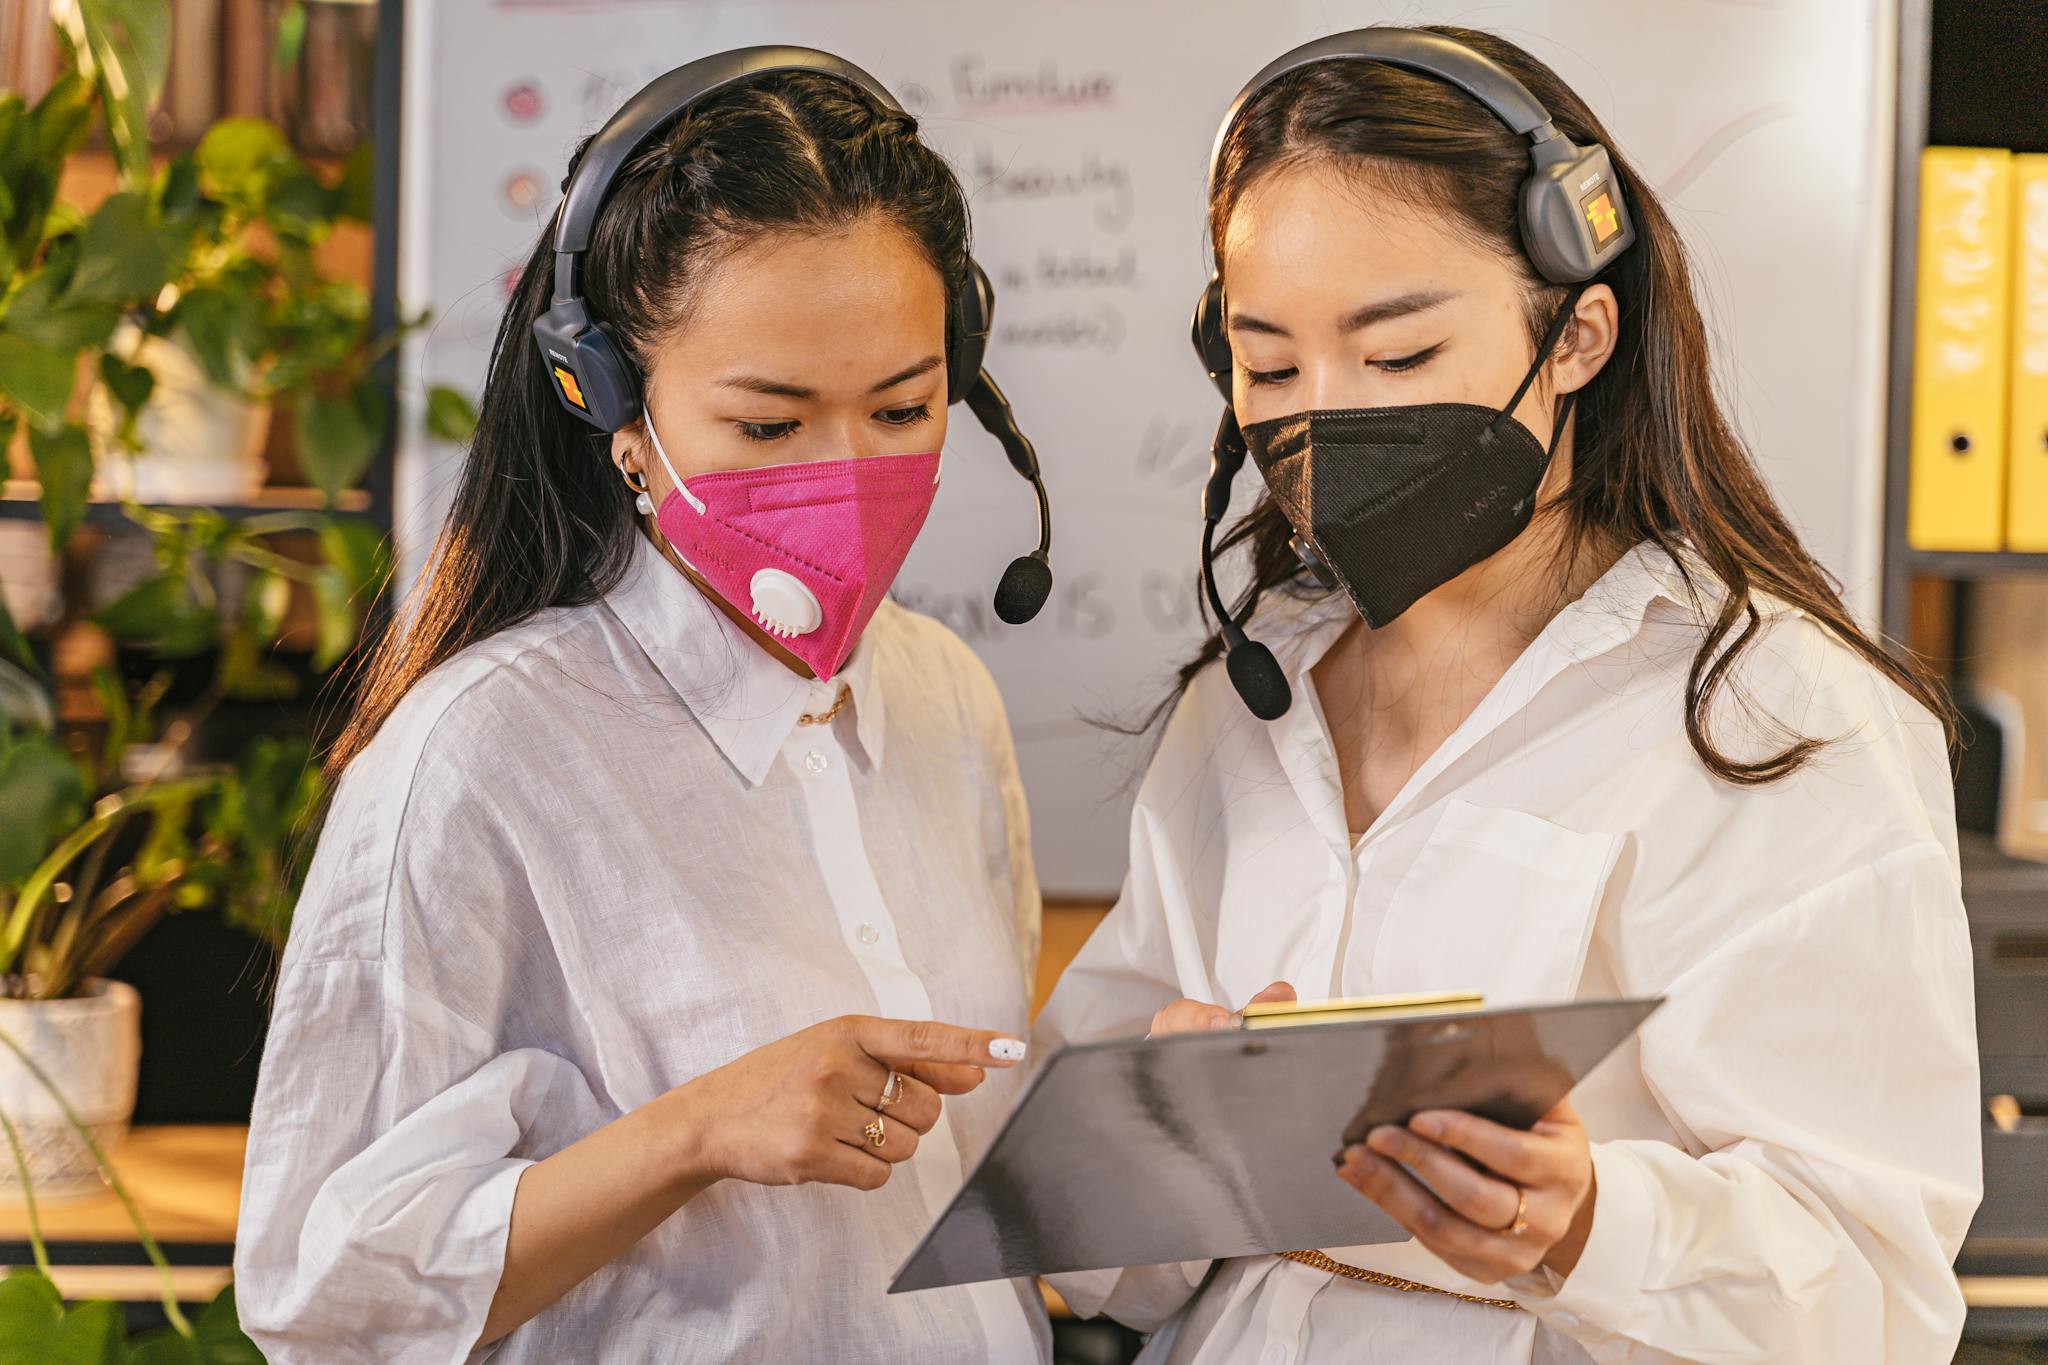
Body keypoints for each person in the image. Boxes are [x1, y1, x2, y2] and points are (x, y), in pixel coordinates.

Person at [1037, 25, 1980, 1364]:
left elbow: (1879, 1299)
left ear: (1581, 334)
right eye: (1268, 362)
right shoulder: (1242, 709)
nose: (1325, 415)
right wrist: (1154, 1140)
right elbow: (1106, 1267)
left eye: (1400, 355)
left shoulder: (1783, 721)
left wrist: (1592, 1218)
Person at [236, 51, 1051, 1363]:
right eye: (770, 423)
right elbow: (323, 1292)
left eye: (903, 407)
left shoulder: (945, 699)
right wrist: (697, 1130)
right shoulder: (474, 758)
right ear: (614, 409)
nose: (847, 474)